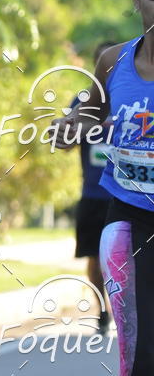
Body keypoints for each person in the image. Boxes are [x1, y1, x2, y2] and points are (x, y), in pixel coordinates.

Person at [53, 0, 154, 376]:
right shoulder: (114, 60)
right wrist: (71, 123)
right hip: (129, 222)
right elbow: (85, 114)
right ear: (137, 0)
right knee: (140, 360)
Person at [68, 41, 116, 334]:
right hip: (93, 193)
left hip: (127, 195)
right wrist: (65, 131)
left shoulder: (133, 95)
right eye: (102, 62)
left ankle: (128, 310)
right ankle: (101, 311)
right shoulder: (83, 101)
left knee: (128, 260)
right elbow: (66, 139)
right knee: (95, 259)